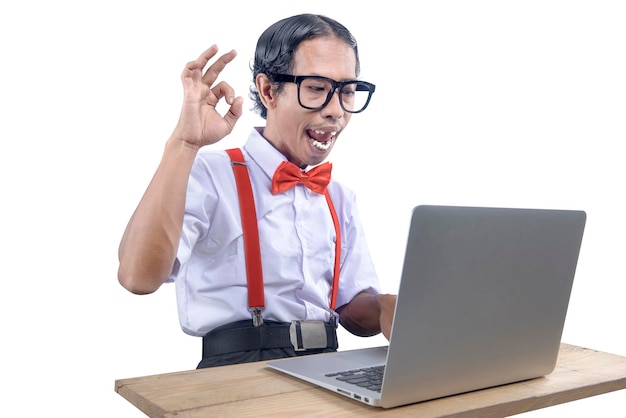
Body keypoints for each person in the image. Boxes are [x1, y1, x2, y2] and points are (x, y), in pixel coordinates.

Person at [118, 13, 396, 369]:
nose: (335, 111)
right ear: (268, 91)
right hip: (239, 369)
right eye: (316, 89)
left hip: (327, 364)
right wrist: (184, 145)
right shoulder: (211, 174)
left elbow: (350, 309)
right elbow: (137, 277)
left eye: (346, 92)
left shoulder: (338, 197)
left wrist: (388, 306)